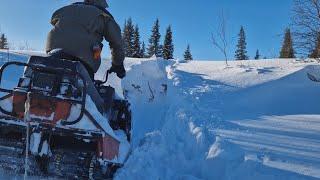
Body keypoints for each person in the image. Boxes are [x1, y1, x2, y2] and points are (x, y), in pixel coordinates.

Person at [46, 0, 126, 80]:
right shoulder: (104, 15)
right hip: (85, 59)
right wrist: (118, 64)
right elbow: (117, 42)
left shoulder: (67, 9)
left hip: (54, 52)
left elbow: (54, 20)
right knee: (82, 85)